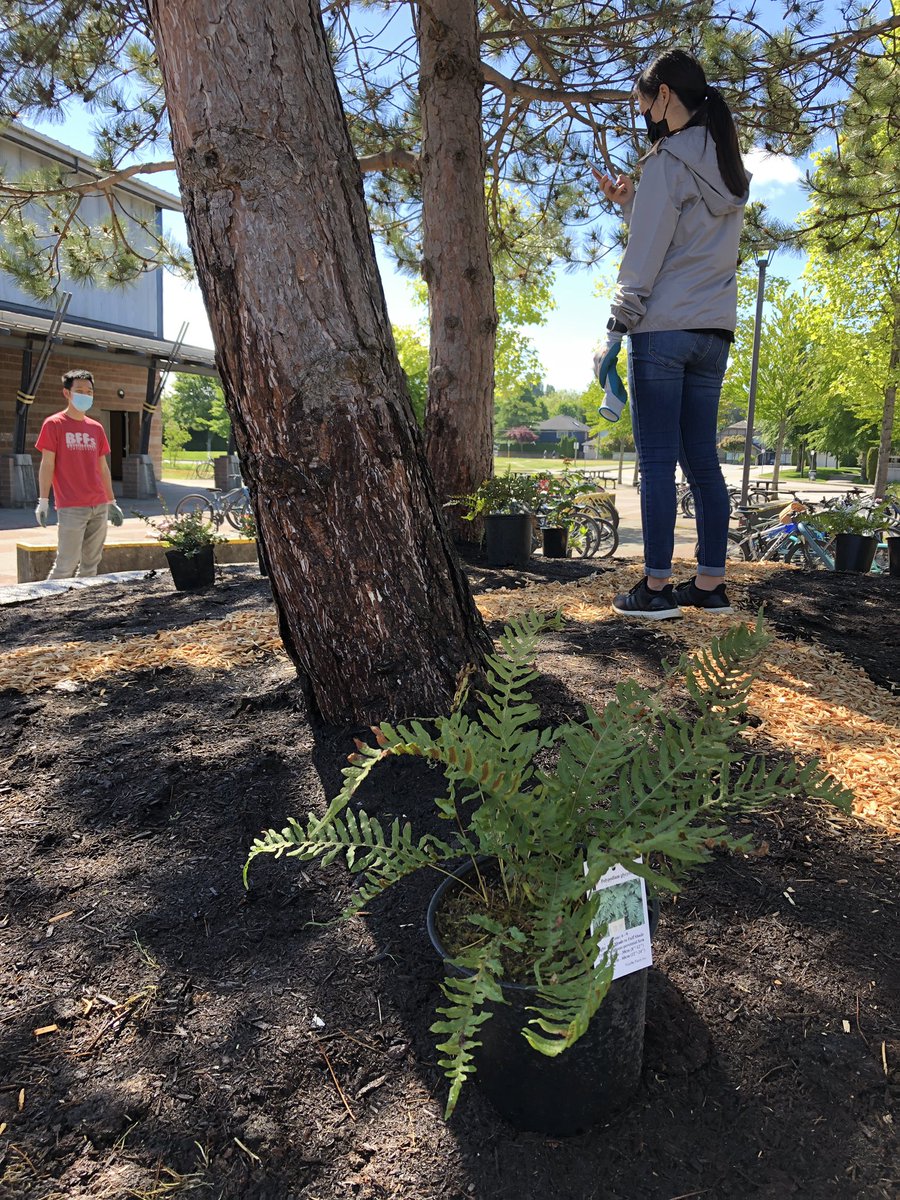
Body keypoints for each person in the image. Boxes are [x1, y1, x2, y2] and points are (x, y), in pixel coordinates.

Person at [592, 49, 749, 619]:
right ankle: (710, 585)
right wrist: (633, 202)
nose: (642, 112)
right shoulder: (726, 168)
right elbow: (687, 243)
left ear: (664, 96)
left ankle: (656, 588)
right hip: (714, 333)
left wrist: (617, 322)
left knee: (657, 462)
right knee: (702, 462)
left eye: (643, 99)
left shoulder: (666, 161)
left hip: (662, 332)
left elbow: (647, 256)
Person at [34, 369, 124, 580]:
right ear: (67, 393)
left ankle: (83, 608)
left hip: (99, 505)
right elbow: (47, 464)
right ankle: (49, 606)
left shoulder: (96, 428)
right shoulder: (54, 424)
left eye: (89, 391)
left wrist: (111, 501)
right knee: (66, 564)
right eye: (80, 390)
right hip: (71, 506)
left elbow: (103, 468)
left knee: (91, 565)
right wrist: (43, 501)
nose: (85, 395)